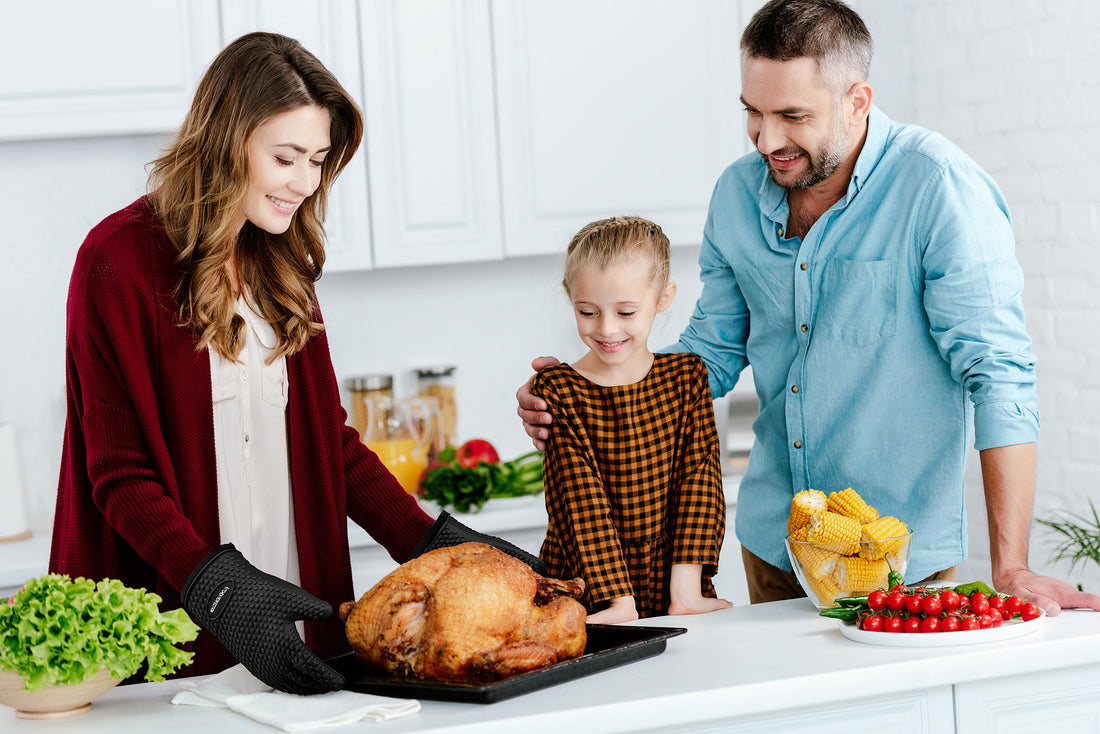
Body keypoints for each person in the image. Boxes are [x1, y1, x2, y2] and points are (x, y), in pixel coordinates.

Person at [518, 0, 1100, 616]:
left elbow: (998, 373)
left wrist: (1010, 564)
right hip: (773, 544)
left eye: (792, 115)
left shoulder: (938, 188)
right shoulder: (737, 194)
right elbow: (710, 353)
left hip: (896, 560)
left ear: (857, 101)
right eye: (753, 113)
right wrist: (595, 384)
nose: (767, 140)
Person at [49, 31, 544, 696]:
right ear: (228, 141)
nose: (305, 183)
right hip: (171, 625)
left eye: (317, 160)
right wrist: (219, 589)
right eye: (286, 157)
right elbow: (120, 472)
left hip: (294, 621)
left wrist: (438, 547)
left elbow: (329, 448)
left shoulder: (280, 264)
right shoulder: (116, 262)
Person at [533, 217, 731, 624]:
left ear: (663, 298)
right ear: (571, 299)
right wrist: (617, 601)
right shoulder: (558, 390)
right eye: (587, 311)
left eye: (626, 311)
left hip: (675, 584)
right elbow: (579, 502)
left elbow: (699, 482)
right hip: (589, 588)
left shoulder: (687, 377)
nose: (606, 328)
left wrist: (687, 591)